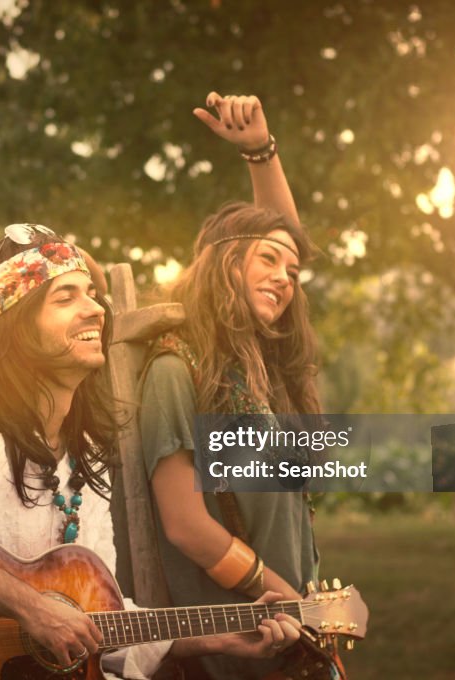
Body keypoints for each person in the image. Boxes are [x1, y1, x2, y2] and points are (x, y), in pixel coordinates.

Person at [0, 226, 302, 678]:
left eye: (90, 293)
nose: (94, 310)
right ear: (15, 324)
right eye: (65, 297)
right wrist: (30, 607)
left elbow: (97, 618)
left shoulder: (80, 455)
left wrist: (220, 638)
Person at [138, 93, 325, 678]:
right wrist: (288, 599)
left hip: (294, 633)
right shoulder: (177, 371)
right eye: (266, 260)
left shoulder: (257, 373)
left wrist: (263, 153)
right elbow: (187, 527)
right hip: (234, 651)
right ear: (225, 265)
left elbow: (285, 236)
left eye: (292, 273)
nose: (284, 279)